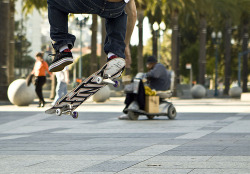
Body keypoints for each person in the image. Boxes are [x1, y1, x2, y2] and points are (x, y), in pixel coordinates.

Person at [47, 0, 137, 72]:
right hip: (114, 7)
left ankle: (63, 50)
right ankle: (114, 55)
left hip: (89, 2)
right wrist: (125, 44)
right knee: (120, 13)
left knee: (54, 2)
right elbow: (132, 13)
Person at [118, 56, 171, 120]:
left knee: (138, 85)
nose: (147, 66)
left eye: (148, 64)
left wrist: (145, 75)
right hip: (155, 87)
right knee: (134, 87)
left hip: (160, 88)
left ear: (152, 63)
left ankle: (141, 106)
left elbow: (154, 74)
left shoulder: (159, 66)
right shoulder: (155, 68)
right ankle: (128, 107)